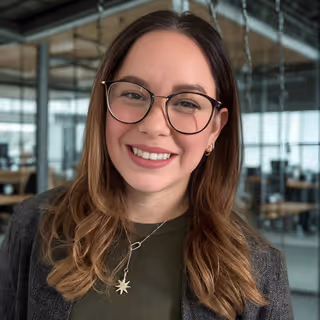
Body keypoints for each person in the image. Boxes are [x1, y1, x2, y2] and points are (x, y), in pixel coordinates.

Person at [0, 10, 293, 320]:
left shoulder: (260, 268)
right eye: (132, 94)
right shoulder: (32, 227)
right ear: (104, 106)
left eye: (187, 102)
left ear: (215, 129)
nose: (154, 125)